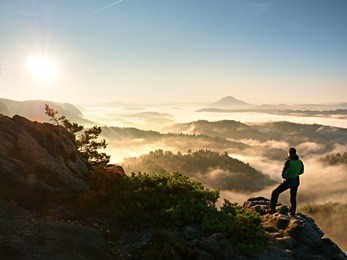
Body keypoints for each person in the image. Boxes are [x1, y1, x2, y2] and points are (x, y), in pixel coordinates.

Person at [269, 147, 304, 216]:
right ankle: (292, 212)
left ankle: (272, 209)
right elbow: (302, 171)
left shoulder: (288, 162)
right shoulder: (300, 161)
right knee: (293, 197)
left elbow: (284, 173)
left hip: (288, 181)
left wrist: (286, 176)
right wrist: (295, 173)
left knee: (275, 192)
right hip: (296, 181)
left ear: (289, 153)